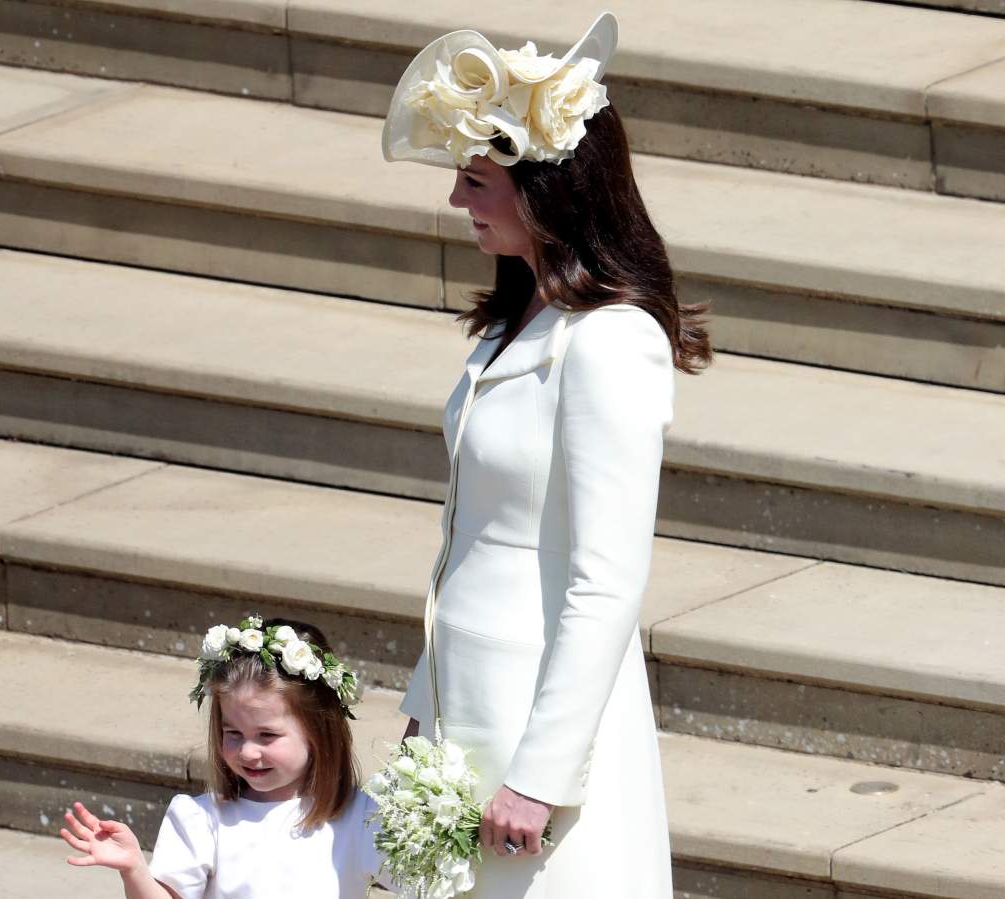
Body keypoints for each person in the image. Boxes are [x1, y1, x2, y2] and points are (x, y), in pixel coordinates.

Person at [382, 12, 712, 898]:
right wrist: (426, 707)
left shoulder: (608, 344)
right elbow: (469, 540)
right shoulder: (517, 319)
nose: (458, 200)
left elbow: (606, 579)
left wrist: (541, 773)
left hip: (541, 734)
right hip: (467, 713)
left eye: (478, 178)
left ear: (550, 190)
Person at [60, 615, 385, 899]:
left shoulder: (360, 817)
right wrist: (134, 870)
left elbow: (422, 879)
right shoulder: (202, 820)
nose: (247, 751)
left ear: (318, 731)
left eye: (267, 735)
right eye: (233, 734)